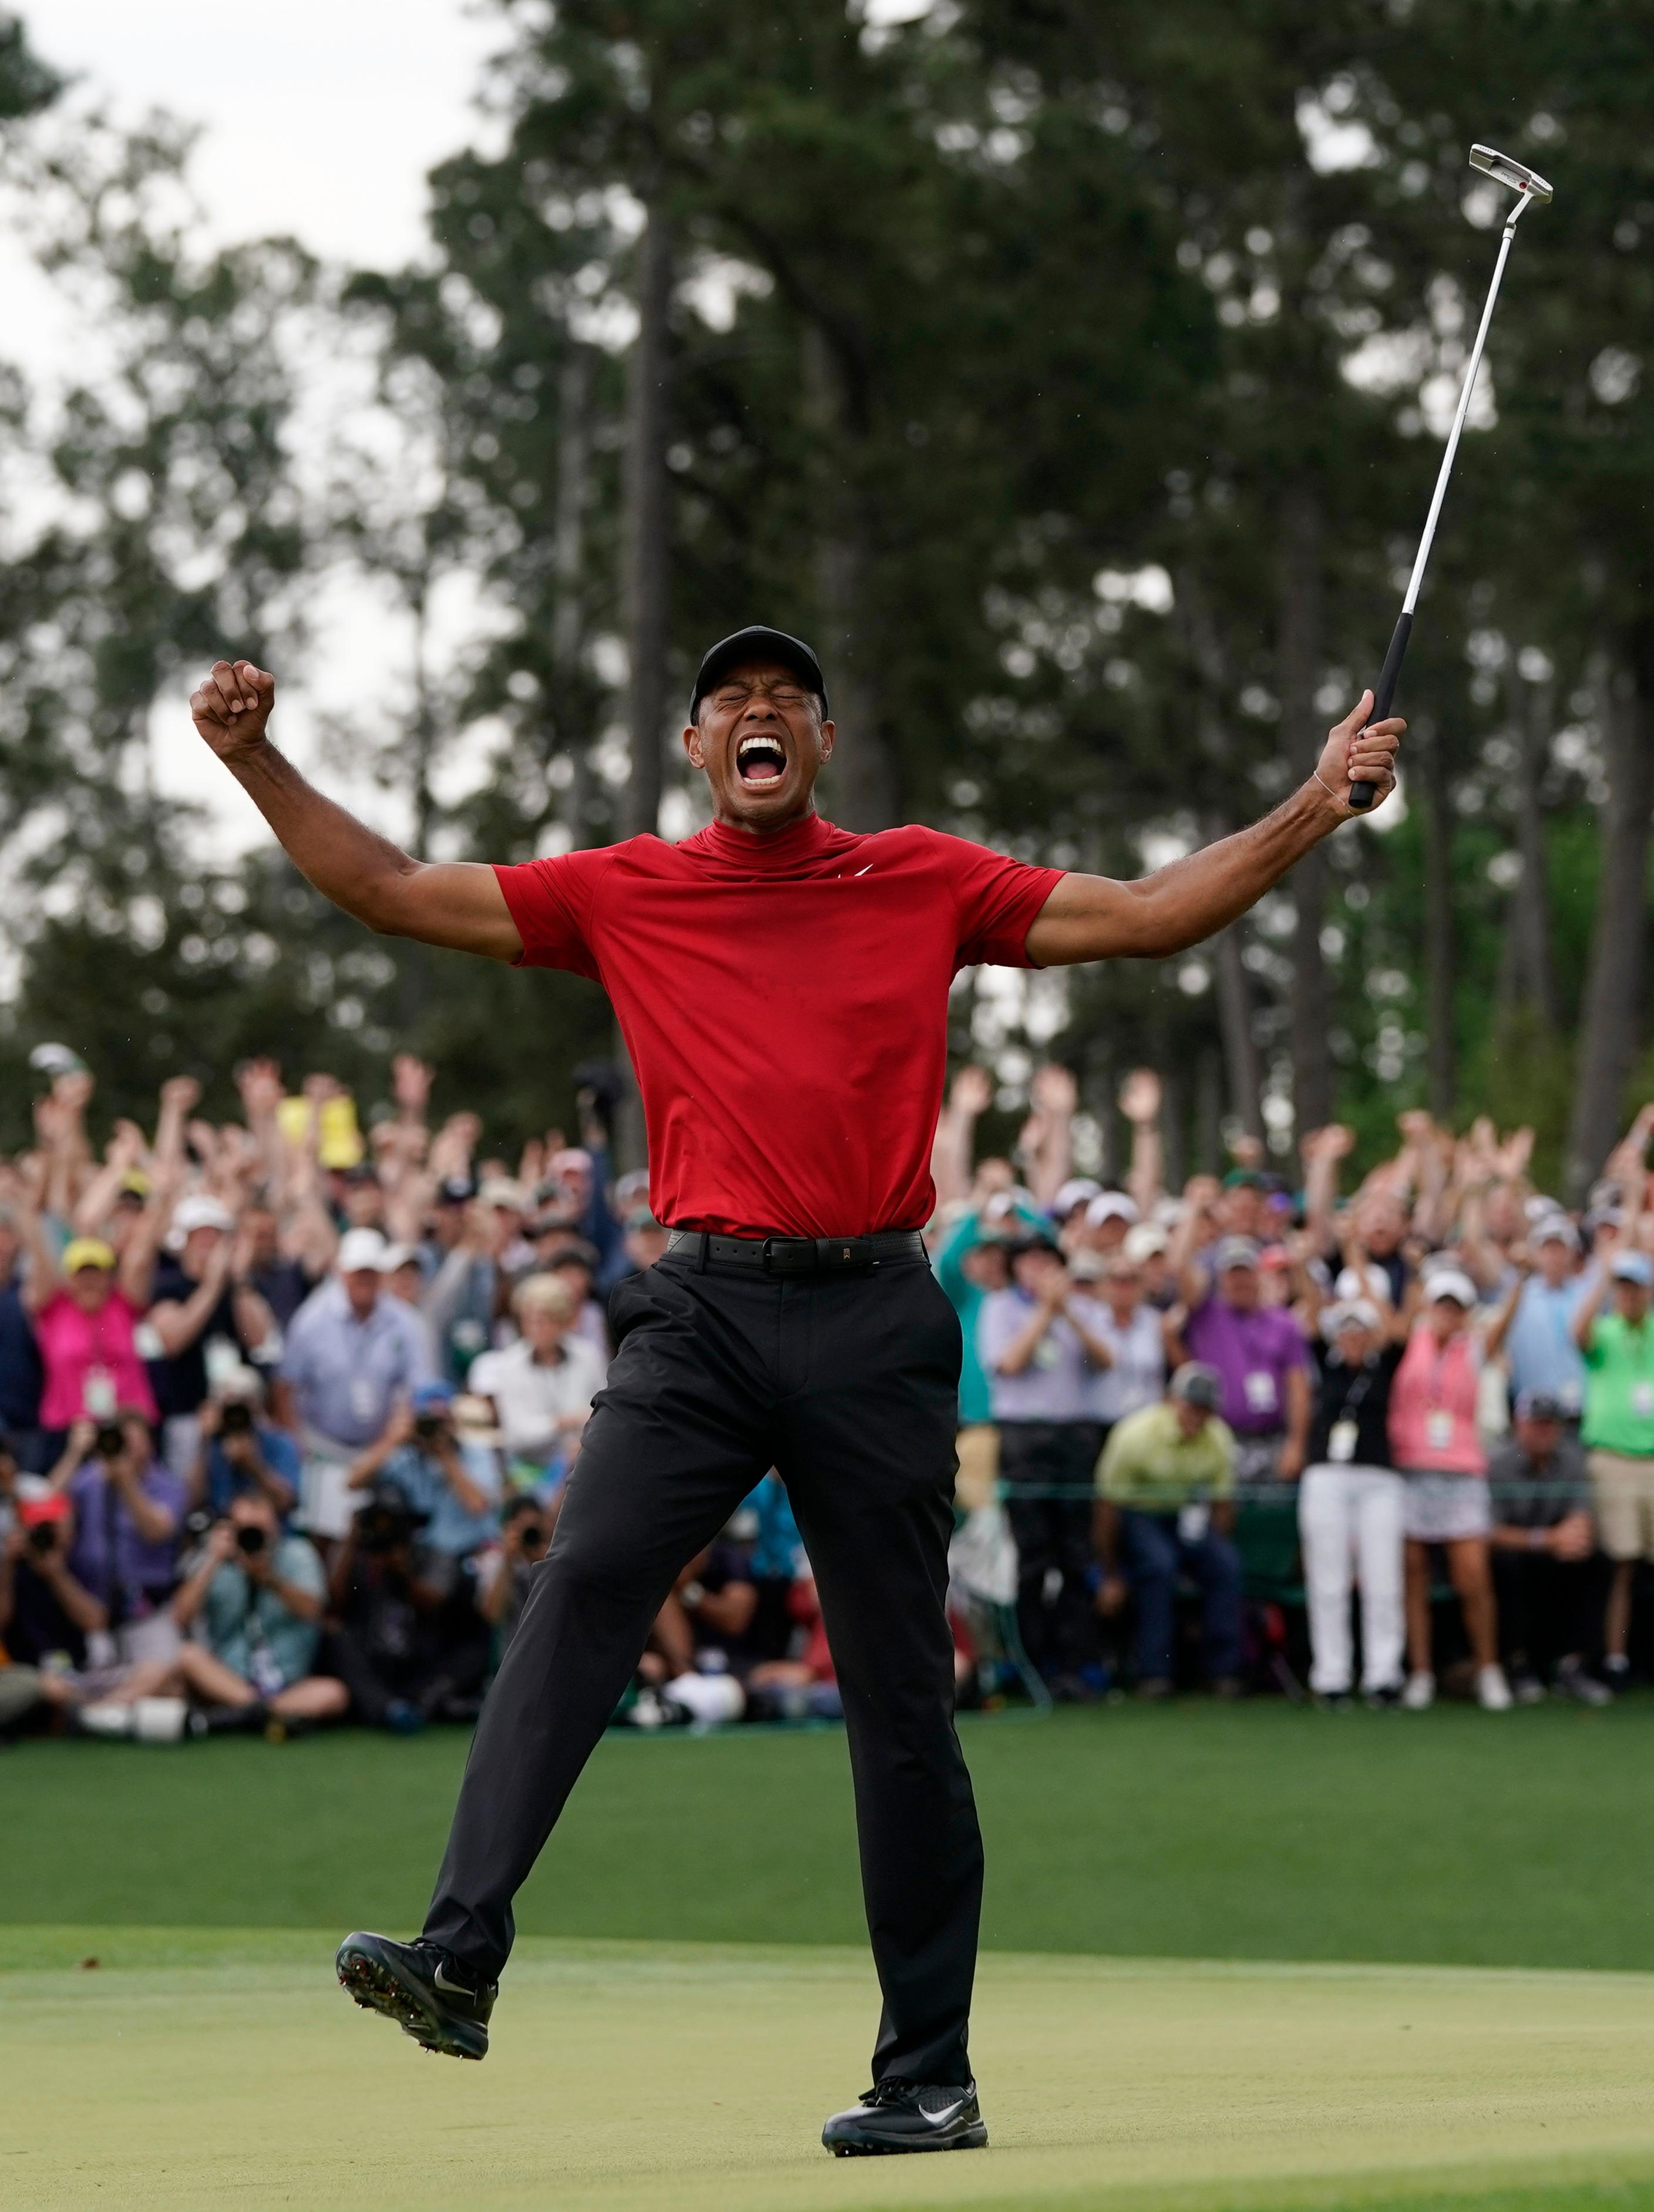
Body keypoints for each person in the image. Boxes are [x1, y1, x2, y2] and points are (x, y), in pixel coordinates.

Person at [189, 621, 1400, 2148]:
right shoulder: (626, 887)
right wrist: (256, 759)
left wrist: (1315, 801)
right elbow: (393, 888)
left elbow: (1153, 913)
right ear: (698, 746)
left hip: (876, 1313)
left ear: (819, 742)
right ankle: (459, 1953)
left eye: (786, 699)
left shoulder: (920, 875)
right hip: (700, 1312)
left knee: (899, 1691)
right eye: (730, 700)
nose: (757, 713)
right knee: (582, 1582)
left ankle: (929, 2075)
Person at [977, 1232, 1115, 1695]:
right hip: (1025, 1438)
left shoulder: (1083, 1308)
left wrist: (1068, 1312)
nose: (1038, 1269)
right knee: (1032, 1556)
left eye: (1046, 1260)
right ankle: (1031, 1664)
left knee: (1076, 1554)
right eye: (1029, 1261)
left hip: (1074, 1436)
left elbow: (1105, 1360)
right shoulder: (1000, 1308)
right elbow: (1010, 1363)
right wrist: (1044, 1312)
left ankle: (1077, 1664)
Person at [83, 1493, 346, 1734]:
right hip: (227, 1682)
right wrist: (212, 1560)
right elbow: (181, 1618)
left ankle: (238, 1716)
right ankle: (260, 1713)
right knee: (186, 1657)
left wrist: (269, 1579)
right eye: (245, 1530)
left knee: (332, 1693)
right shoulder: (218, 1560)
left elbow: (313, 1610)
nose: (253, 1538)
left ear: (276, 1527)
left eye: (260, 1530)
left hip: (287, 1684)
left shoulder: (297, 1554)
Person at [1389, 1270, 1511, 1712]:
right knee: (1414, 1577)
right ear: (1429, 1307)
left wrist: (1520, 1280)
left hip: (1461, 1474)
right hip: (1413, 1470)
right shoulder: (1408, 1341)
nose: (1447, 1314)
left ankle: (1488, 1670)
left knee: (1473, 1577)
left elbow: (1505, 1323)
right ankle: (1420, 1673)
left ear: (1465, 1315)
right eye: (1441, 1305)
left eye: (1455, 1308)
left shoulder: (1474, 1348)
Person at [1094, 1363, 1243, 1697]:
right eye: (1192, 1407)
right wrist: (1110, 1573)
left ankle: (1222, 1671)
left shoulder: (1218, 1437)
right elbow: (1107, 1508)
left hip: (1187, 1515)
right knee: (1159, 1565)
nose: (1197, 1417)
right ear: (1172, 1401)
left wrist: (1212, 1550)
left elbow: (1222, 1505)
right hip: (1140, 1515)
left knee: (1225, 1564)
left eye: (1205, 1410)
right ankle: (1155, 1672)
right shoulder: (1135, 1435)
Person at [277, 1228, 432, 1539]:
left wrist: (387, 1445)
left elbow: (417, 1388)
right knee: (322, 1534)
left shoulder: (405, 1322)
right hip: (322, 1447)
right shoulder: (312, 1320)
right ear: (341, 1272)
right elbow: (285, 1387)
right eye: (358, 1273)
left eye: (371, 1273)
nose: (365, 1281)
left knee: (382, 1536)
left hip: (382, 1450)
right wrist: (298, 1443)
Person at [1296, 1299, 1406, 1708]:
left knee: (1383, 1579)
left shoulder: (1387, 1365)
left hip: (1379, 1478)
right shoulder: (1323, 1365)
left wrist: (1359, 1269)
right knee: (1329, 1579)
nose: (1354, 1337)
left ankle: (1384, 1675)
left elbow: (1399, 1330)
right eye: (1346, 1330)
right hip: (1327, 1475)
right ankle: (1332, 1676)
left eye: (1361, 1330)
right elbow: (1310, 1308)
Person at [1486, 1392, 1609, 1706]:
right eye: (1537, 1424)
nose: (1544, 1432)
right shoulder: (1498, 1463)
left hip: (1556, 1549)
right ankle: (1517, 1664)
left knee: (1594, 1560)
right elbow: (1489, 1532)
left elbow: (1581, 1515)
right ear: (1519, 1424)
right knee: (1508, 1565)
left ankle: (1575, 1665)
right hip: (1518, 1549)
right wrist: (1544, 1540)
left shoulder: (1572, 1458)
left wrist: (1573, 1536)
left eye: (1550, 1425)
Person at [1172, 1222, 1311, 1487]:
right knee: (1221, 1508)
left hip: (1272, 1438)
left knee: (1270, 1509)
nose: (1240, 1281)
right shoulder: (1206, 1314)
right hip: (1218, 1436)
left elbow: (1298, 1386)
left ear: (1258, 1274)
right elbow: (1179, 1267)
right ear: (1221, 1279)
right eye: (1232, 1274)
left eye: (1245, 1272)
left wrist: (1296, 1443)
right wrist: (1195, 1211)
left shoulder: (1283, 1322)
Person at [1572, 1247, 1654, 1693]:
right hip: (1614, 1459)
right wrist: (1602, 1279)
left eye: (1635, 1287)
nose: (1629, 1295)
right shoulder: (1604, 1330)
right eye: (1623, 1288)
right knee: (1621, 1563)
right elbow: (1577, 1333)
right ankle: (1617, 1659)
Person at [53, 1410, 186, 1670]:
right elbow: (46, 1506)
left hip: (148, 1610)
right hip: (93, 1609)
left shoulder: (168, 1485)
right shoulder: (90, 1479)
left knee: (164, 1674)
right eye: (121, 1441)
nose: (127, 1449)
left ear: (150, 1443)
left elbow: (156, 1531)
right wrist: (74, 1454)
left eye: (134, 1441)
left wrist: (126, 1481)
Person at [466, 1275, 605, 1488]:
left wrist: (578, 1442)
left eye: (544, 1319)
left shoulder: (589, 1357)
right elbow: (517, 1435)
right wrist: (563, 1422)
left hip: (587, 1462)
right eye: (528, 1319)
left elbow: (603, 1413)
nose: (535, 1327)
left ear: (561, 1320)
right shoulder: (509, 1365)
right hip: (531, 1472)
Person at [347, 1381, 502, 1560]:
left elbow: (479, 1506)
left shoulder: (474, 1453)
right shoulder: (406, 1457)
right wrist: (393, 1439)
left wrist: (446, 1457)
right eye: (427, 1421)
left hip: (466, 1556)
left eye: (440, 1421)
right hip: (417, 1557)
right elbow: (353, 1482)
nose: (433, 1429)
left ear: (453, 1420)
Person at [188, 1368, 301, 1520]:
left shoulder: (280, 1443)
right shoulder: (213, 1443)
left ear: (258, 1404)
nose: (237, 1413)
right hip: (221, 1527)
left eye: (244, 1402)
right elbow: (192, 1501)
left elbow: (286, 1502)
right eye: (230, 1403)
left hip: (267, 1528)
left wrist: (254, 1466)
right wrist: (204, 1441)